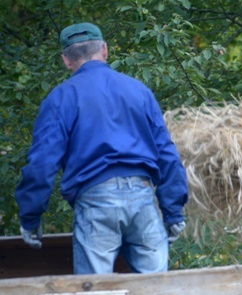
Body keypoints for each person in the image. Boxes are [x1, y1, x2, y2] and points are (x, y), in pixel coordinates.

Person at [15, 22, 189, 274]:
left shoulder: (61, 97)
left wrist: (31, 216)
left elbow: (42, 163)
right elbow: (167, 154)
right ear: (105, 50)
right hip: (142, 199)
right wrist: (173, 212)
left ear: (66, 60)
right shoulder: (138, 90)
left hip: (96, 202)